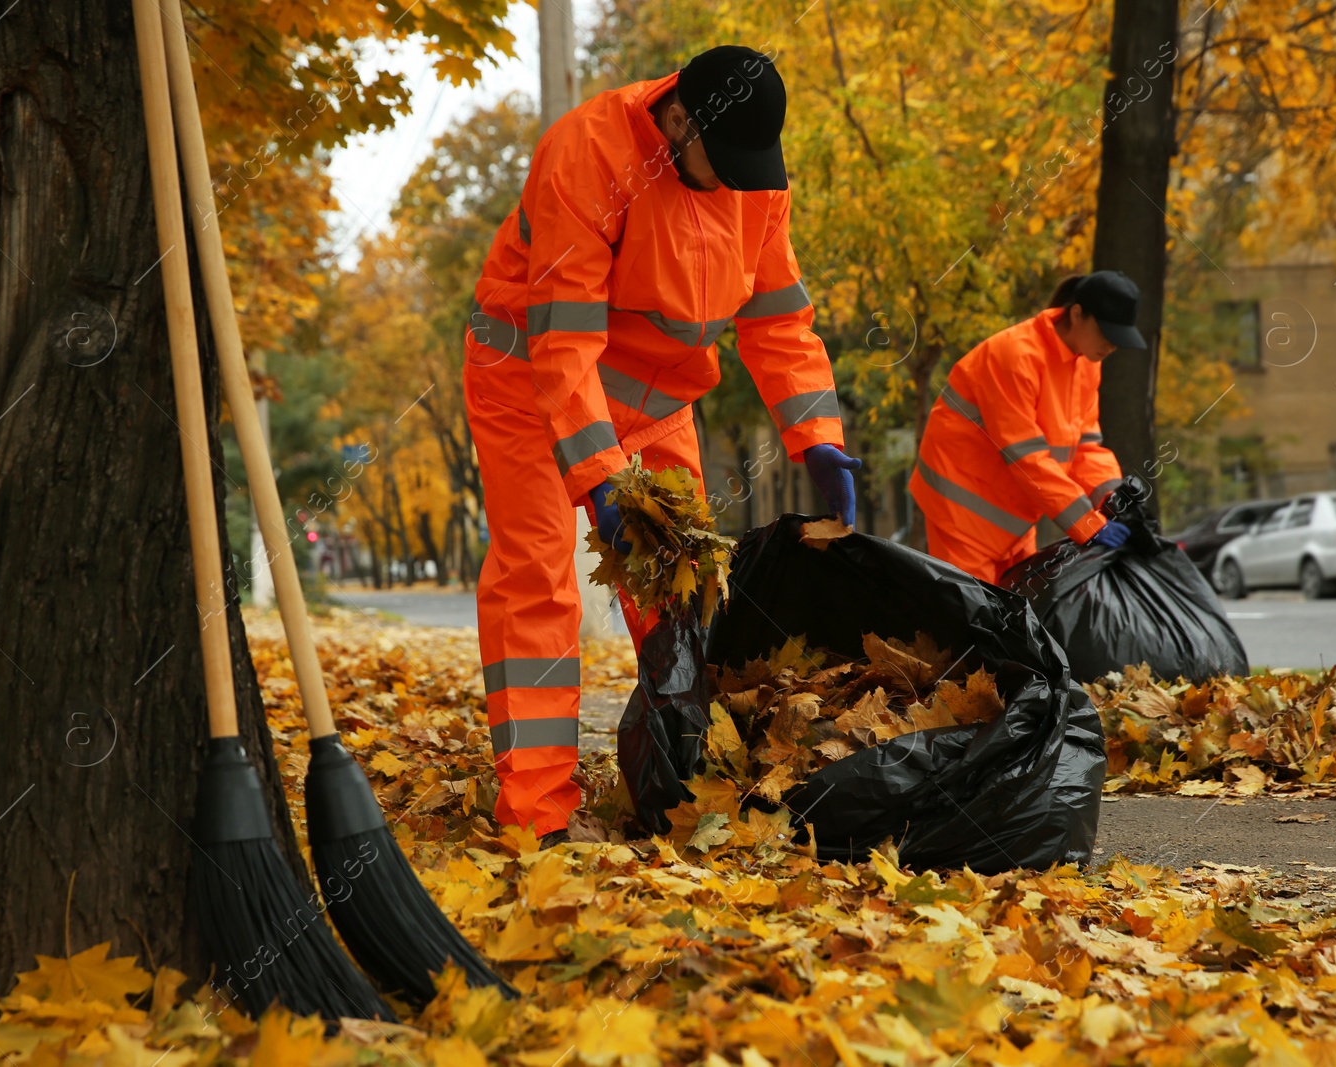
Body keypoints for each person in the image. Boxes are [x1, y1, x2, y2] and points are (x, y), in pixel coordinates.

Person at [463, 46, 862, 841]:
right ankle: (536, 814)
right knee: (540, 579)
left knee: (687, 588)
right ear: (677, 120)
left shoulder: (753, 176)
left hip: (656, 400)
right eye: (726, 164)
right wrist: (602, 478)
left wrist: (816, 434)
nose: (741, 184)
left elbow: (778, 318)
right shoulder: (588, 153)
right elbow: (564, 342)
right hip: (529, 381)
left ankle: (688, 782)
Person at [909, 271, 1143, 584]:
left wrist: (1112, 497)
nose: (1112, 345)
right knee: (969, 620)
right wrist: (1088, 523)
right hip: (962, 509)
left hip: (1014, 512)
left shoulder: (1086, 364)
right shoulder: (1015, 356)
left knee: (1012, 618)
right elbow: (1025, 456)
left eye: (1119, 338)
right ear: (1076, 314)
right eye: (1107, 333)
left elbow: (1085, 446)